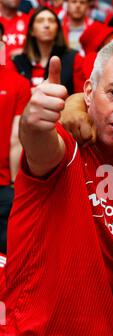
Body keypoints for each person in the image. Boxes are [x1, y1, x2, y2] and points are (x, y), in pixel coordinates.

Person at [0, 41, 113, 336]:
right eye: (112, 93)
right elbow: (41, 145)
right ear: (89, 92)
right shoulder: (67, 140)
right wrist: (33, 121)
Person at [0, 22, 31, 255]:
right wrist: (13, 181)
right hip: (4, 183)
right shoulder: (19, 83)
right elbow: (15, 138)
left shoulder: (19, 83)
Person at [12, 6, 85, 94]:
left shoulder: (74, 58)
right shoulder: (18, 61)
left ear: (58, 28)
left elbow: (81, 96)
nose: (46, 25)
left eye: (51, 21)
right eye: (40, 21)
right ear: (31, 30)